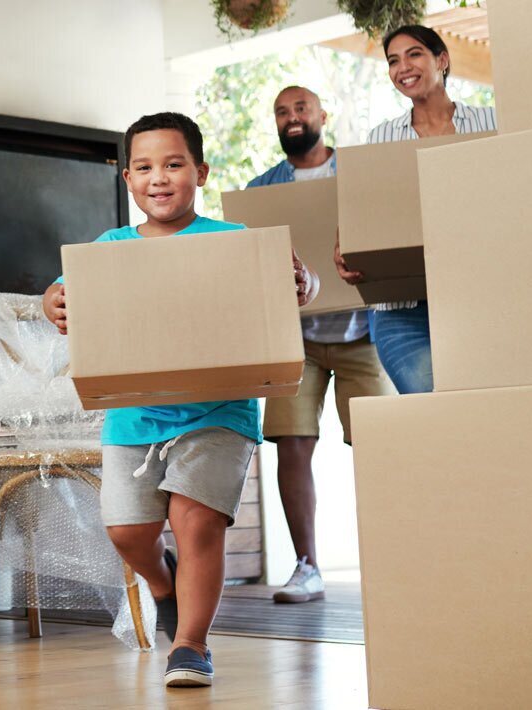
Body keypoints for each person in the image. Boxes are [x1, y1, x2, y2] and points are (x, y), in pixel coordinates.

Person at [42, 112, 315, 689]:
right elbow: (67, 293)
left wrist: (302, 284)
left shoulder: (231, 240)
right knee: (127, 532)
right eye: (144, 167)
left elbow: (296, 286)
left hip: (219, 411)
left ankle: (190, 646)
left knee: (196, 525)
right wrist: (52, 300)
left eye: (173, 165)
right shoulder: (109, 248)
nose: (159, 178)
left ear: (200, 171)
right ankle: (163, 584)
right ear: (127, 179)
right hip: (134, 413)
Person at [244, 86, 395, 604]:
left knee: (380, 445)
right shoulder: (262, 189)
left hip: (364, 332)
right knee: (293, 443)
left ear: (322, 116)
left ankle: (392, 558)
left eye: (300, 108)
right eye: (281, 112)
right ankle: (306, 566)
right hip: (298, 339)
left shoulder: (357, 174)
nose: (291, 118)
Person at [333, 24, 496, 395]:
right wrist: (347, 244)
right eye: (393, 60)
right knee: (432, 405)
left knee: (483, 403)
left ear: (442, 59)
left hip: (480, 297)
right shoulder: (381, 138)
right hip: (402, 309)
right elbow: (367, 208)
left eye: (414, 54)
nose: (402, 66)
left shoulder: (492, 124)